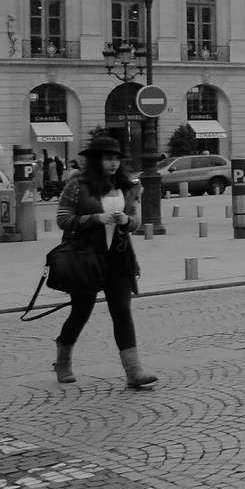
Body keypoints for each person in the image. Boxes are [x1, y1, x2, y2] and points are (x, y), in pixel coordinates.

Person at [51, 135, 156, 389]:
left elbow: (136, 220)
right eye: (108, 159)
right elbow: (63, 219)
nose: (113, 164)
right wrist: (96, 218)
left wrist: (126, 222)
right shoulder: (78, 185)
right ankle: (63, 359)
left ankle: (134, 371)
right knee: (81, 311)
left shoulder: (128, 187)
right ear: (96, 161)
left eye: (116, 159)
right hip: (86, 257)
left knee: (121, 311)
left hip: (118, 257)